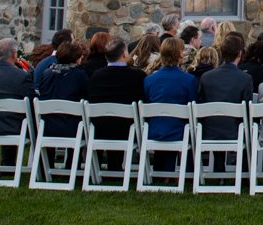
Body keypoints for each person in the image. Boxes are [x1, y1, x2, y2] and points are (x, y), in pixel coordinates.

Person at [84, 37, 147, 165]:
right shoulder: (137, 76)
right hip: (126, 129)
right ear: (124, 53)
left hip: (98, 127)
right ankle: (116, 166)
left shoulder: (96, 75)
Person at [142, 36, 197, 157]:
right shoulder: (188, 80)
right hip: (180, 132)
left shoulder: (149, 80)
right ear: (180, 54)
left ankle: (163, 172)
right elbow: (193, 108)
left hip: (155, 131)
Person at [197, 32, 252, 142]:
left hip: (208, 131)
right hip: (235, 132)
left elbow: (200, 103)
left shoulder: (206, 77)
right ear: (240, 53)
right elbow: (247, 110)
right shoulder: (245, 78)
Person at [35, 39, 89, 131]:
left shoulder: (47, 73)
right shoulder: (79, 75)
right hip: (73, 128)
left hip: (47, 126)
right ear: (76, 58)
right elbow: (87, 96)